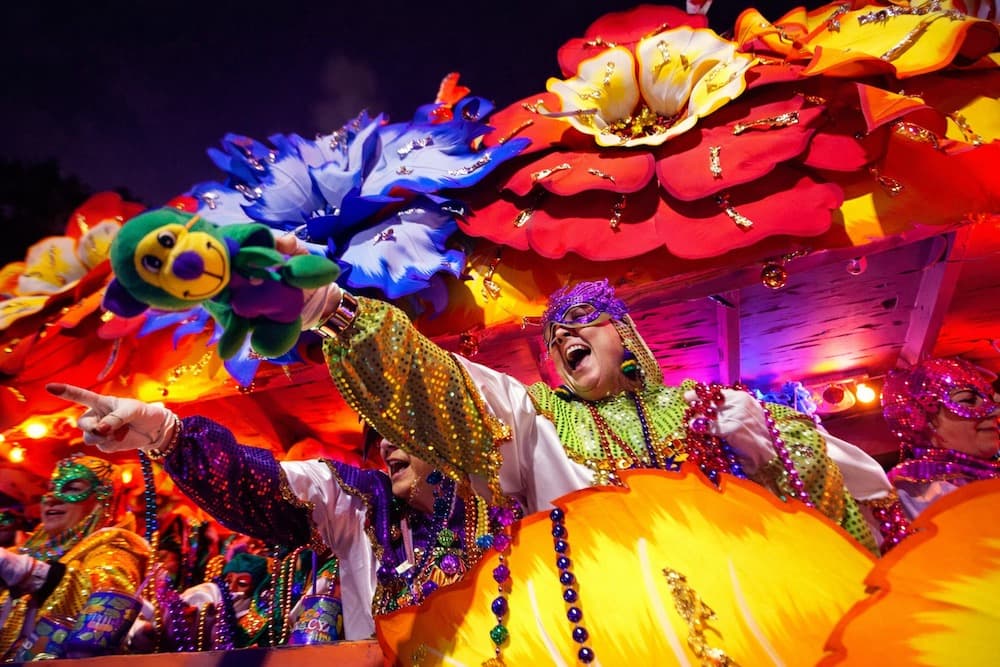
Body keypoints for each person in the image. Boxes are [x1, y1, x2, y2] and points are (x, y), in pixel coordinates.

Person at [285, 266, 907, 554]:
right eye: (552, 337)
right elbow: (448, 383)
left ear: (626, 335)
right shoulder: (537, 422)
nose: (561, 337)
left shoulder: (713, 406)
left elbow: (844, 478)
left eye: (580, 320)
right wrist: (336, 311)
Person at [45, 384, 516, 641]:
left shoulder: (513, 499)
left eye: (401, 430)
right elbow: (257, 485)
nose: (386, 445)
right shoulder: (363, 503)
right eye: (378, 434)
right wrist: (167, 436)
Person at [0, 454, 150, 660]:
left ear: (103, 497)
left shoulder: (116, 545)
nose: (52, 497)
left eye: (72, 489)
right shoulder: (23, 552)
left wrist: (30, 573)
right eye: (51, 488)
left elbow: (103, 606)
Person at [883, 356, 1000, 519]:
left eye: (991, 399)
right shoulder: (913, 494)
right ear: (921, 419)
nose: (995, 411)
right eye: (968, 401)